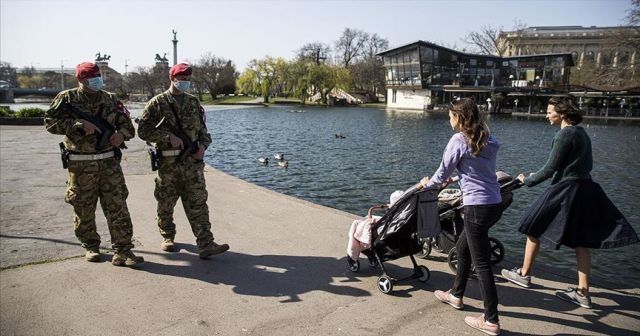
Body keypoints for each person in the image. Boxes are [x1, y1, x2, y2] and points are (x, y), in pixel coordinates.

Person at [501, 96, 638, 308]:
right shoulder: (582, 133)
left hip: (566, 188)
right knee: (581, 241)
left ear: (562, 113)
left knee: (532, 226)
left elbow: (550, 169)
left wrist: (525, 180)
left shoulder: (564, 135)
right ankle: (583, 292)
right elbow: (585, 164)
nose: (546, 115)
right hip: (586, 188)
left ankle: (524, 274)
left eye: (549, 112)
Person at [44, 62, 144, 267]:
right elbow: (49, 123)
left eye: (98, 75)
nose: (97, 79)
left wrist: (121, 135)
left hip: (109, 163)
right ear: (81, 79)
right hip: (81, 166)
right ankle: (91, 246)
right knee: (83, 208)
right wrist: (76, 125)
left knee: (118, 207)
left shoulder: (109, 99)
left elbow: (128, 125)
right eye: (92, 76)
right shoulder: (66, 98)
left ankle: (123, 250)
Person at [422, 98, 503, 335]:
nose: (449, 120)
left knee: (483, 265)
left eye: (450, 116)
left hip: (476, 207)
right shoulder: (487, 138)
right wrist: (457, 178)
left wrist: (429, 185)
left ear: (458, 118)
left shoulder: (459, 140)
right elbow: (478, 171)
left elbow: (442, 171)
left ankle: (491, 320)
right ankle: (456, 295)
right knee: (463, 247)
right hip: (494, 203)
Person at [137, 63, 229, 259]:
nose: (186, 82)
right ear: (172, 79)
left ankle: (206, 243)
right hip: (168, 165)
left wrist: (203, 147)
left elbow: (203, 132)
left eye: (188, 79)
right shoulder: (157, 103)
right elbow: (143, 131)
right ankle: (167, 236)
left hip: (193, 165)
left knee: (198, 203)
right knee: (166, 203)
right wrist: (167, 137)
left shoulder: (193, 103)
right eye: (182, 79)